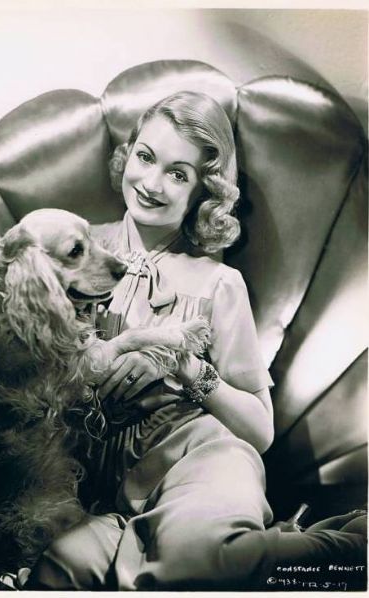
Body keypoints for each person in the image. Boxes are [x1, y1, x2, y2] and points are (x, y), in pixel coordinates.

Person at [28, 91, 366, 591]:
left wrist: (184, 368)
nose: (152, 183)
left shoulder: (218, 284)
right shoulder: (70, 247)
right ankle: (274, 544)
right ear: (128, 154)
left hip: (201, 463)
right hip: (108, 496)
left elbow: (259, 430)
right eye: (146, 157)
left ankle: (357, 551)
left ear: (203, 192)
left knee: (199, 562)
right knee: (58, 572)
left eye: (178, 174)